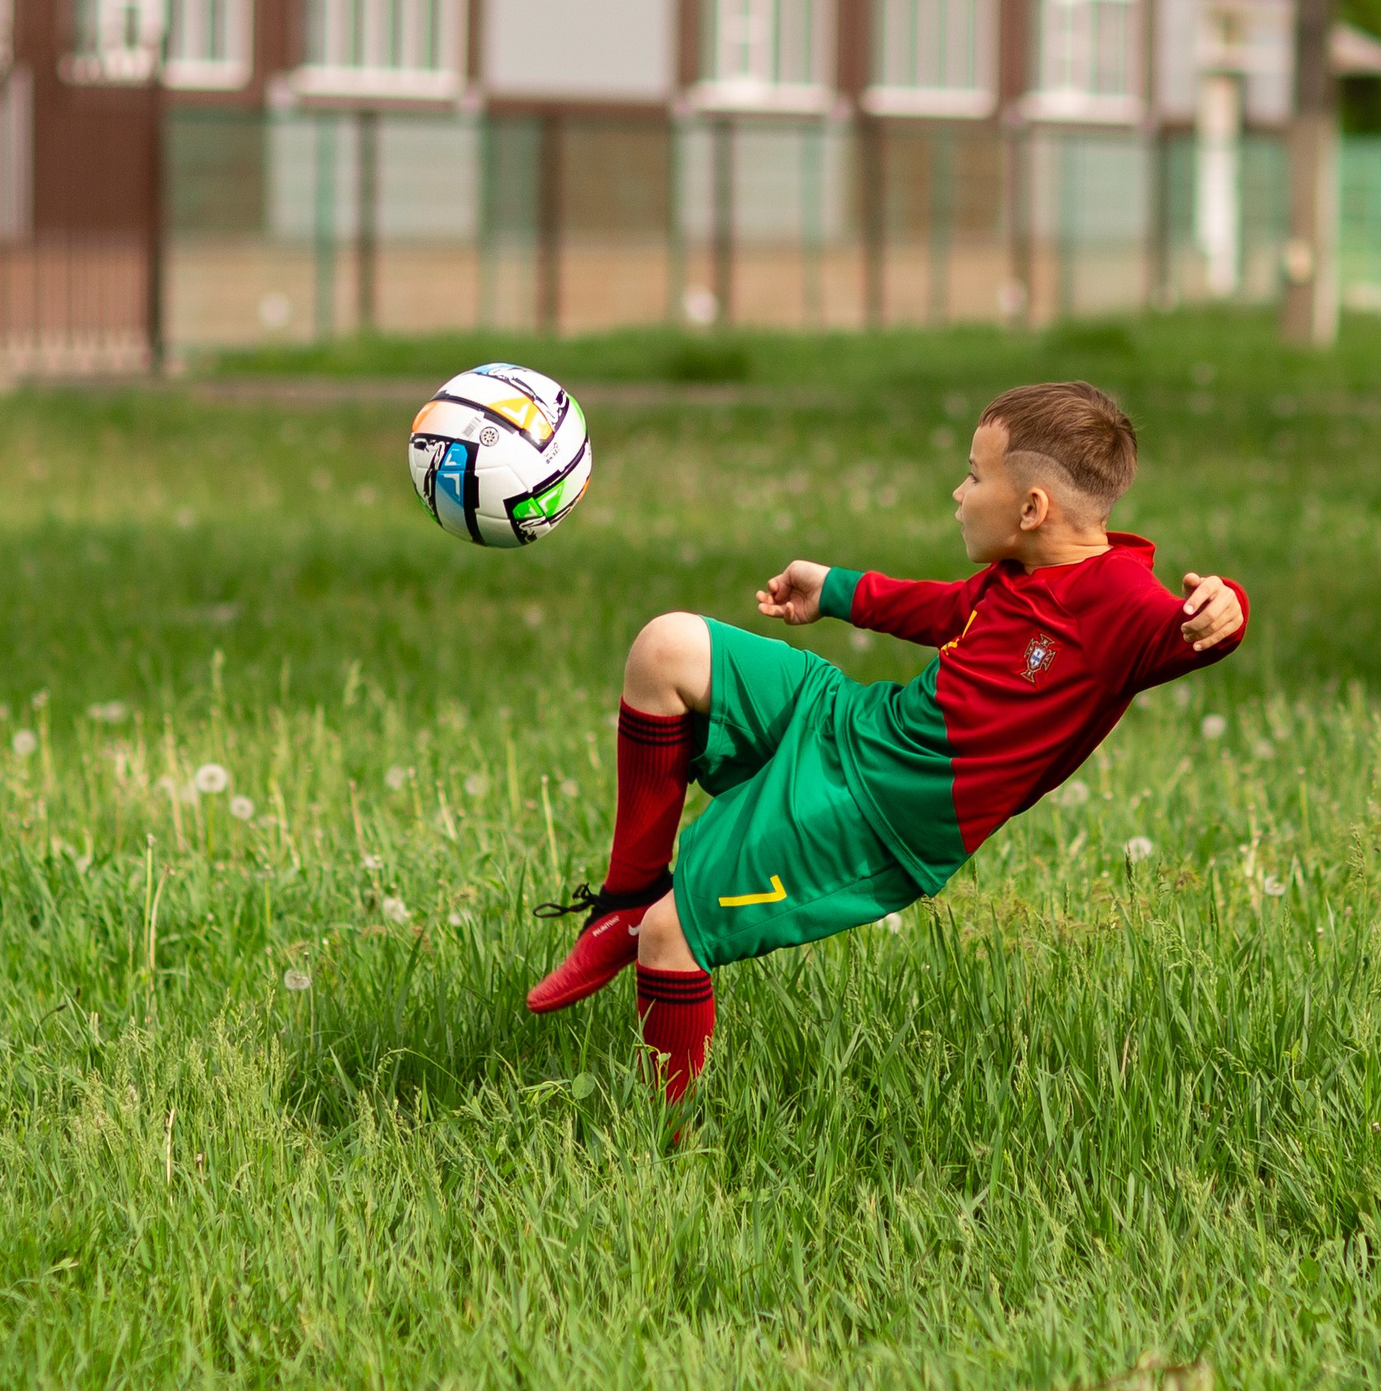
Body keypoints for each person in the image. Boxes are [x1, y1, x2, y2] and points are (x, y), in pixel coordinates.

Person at [528, 381, 1248, 1102]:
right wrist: (834, 588)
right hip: (856, 722)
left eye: (974, 476)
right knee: (665, 649)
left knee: (673, 936)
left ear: (1033, 509)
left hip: (875, 819)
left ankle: (665, 1141)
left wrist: (1227, 606)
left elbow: (1189, 630)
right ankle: (625, 898)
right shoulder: (1023, 571)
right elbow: (948, 608)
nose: (959, 493)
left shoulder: (1119, 604)